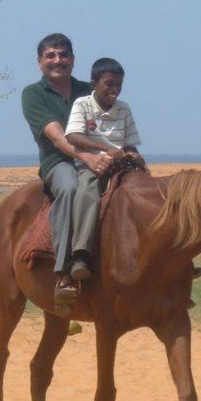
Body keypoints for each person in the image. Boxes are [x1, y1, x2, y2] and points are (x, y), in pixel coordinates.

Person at [21, 33, 114, 311]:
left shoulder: (90, 90)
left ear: (73, 60)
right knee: (70, 188)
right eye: (50, 55)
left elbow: (111, 124)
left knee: (138, 184)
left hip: (97, 156)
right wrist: (86, 157)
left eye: (63, 55)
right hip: (59, 162)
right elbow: (59, 138)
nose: (57, 60)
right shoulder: (34, 94)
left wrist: (118, 153)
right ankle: (63, 273)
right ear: (40, 62)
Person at [64, 57, 144, 279]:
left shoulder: (124, 109)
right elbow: (73, 136)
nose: (114, 90)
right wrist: (105, 148)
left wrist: (134, 156)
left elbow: (130, 143)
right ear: (94, 84)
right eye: (109, 84)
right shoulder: (83, 105)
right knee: (87, 192)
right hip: (91, 165)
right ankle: (80, 253)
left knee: (149, 193)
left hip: (120, 166)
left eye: (118, 84)